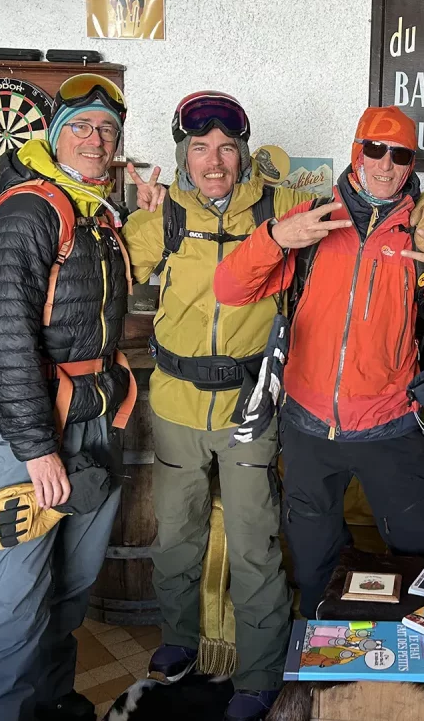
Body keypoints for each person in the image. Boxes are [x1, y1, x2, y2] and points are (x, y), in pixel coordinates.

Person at [214, 106, 424, 620]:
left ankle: (417, 675)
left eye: (401, 155)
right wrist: (276, 238)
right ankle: (327, 677)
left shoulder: (422, 237)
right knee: (314, 563)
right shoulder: (314, 221)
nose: (386, 165)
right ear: (357, 151)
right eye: (376, 150)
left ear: (411, 164)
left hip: (390, 425)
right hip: (307, 427)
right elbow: (230, 289)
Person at [122, 92, 308, 720]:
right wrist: (110, 208)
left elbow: (360, 213)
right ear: (182, 154)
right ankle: (179, 639)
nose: (214, 160)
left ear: (244, 152)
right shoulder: (161, 217)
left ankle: (258, 672)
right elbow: (104, 276)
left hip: (250, 408)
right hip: (175, 402)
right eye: (199, 148)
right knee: (176, 534)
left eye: (227, 147)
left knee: (255, 542)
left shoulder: (281, 208)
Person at [0, 74, 134, 721]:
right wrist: (37, 451)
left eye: (108, 130)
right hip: (37, 434)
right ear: (55, 136)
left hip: (94, 423)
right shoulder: (31, 209)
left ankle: (51, 704)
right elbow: (5, 339)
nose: (97, 139)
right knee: (18, 596)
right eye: (83, 126)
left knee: (70, 588)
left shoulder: (92, 210)